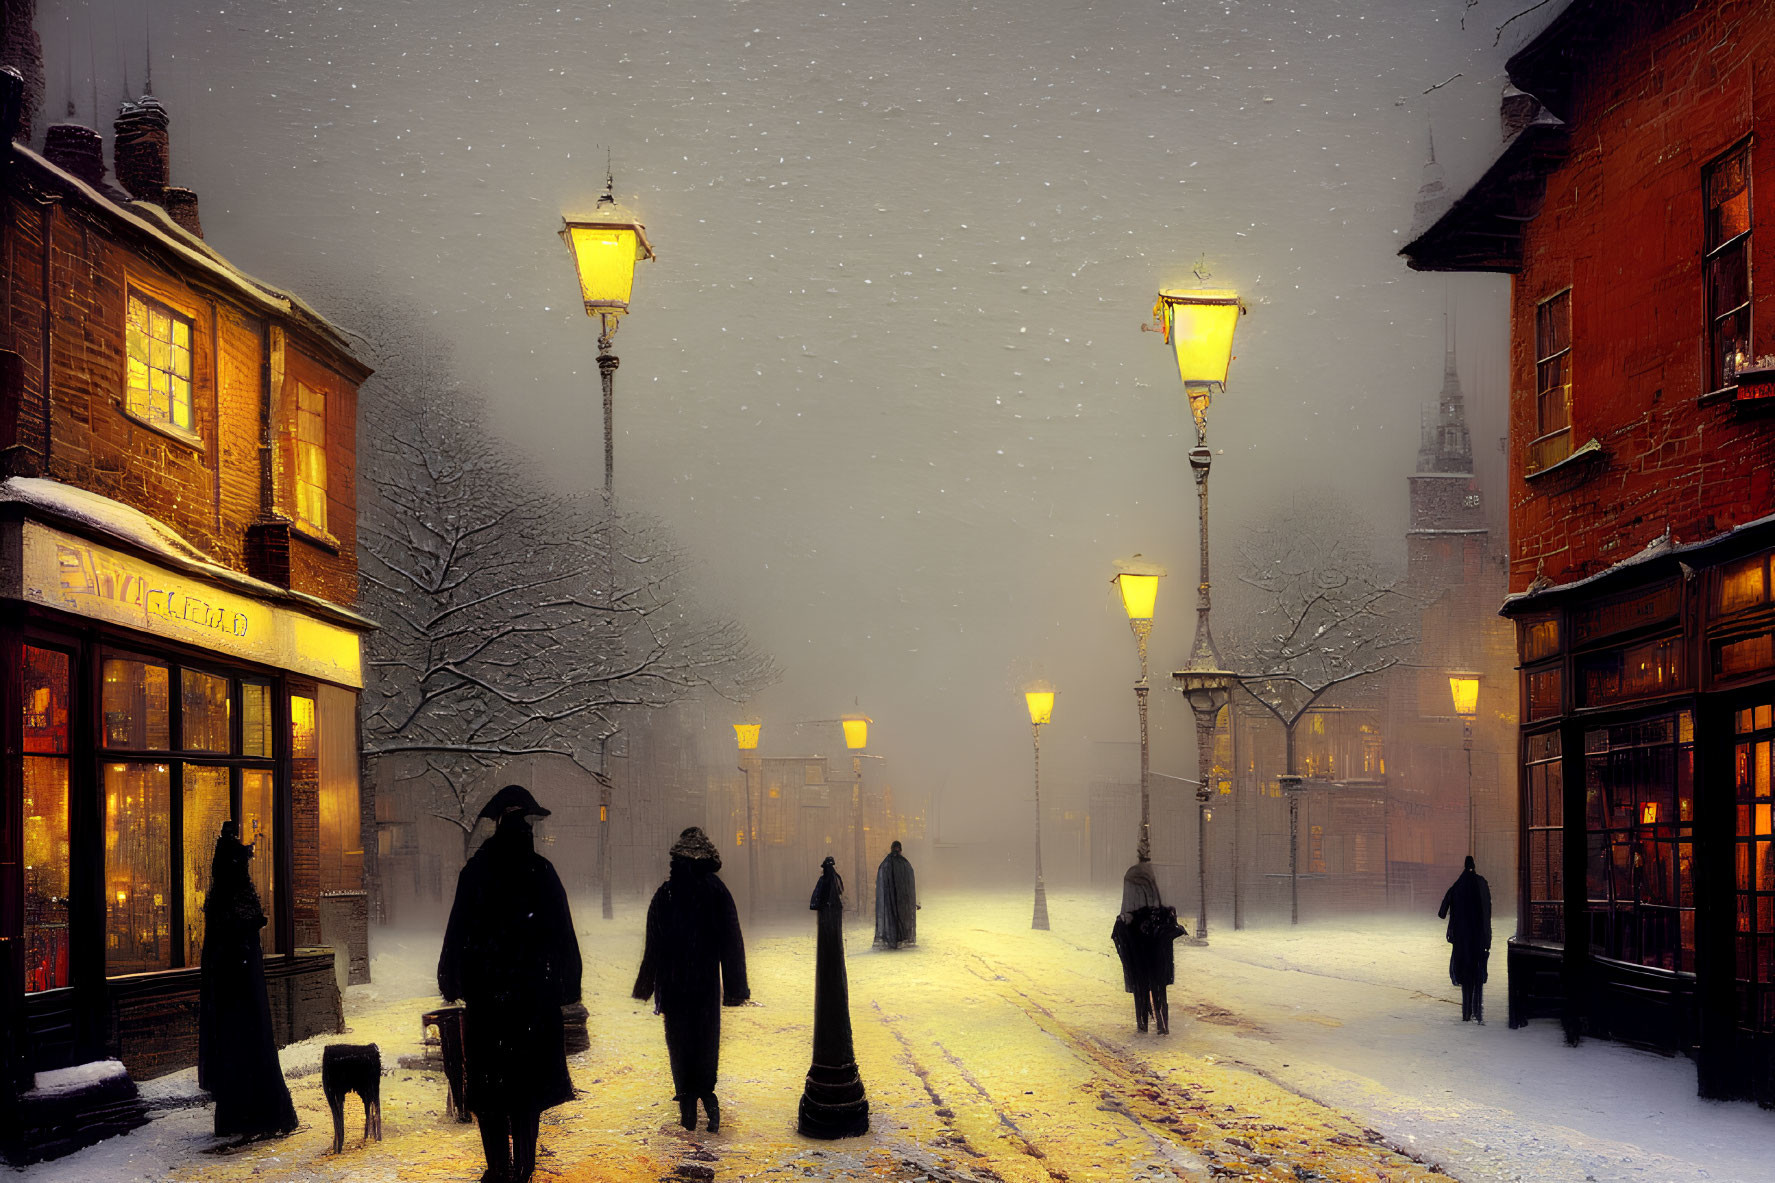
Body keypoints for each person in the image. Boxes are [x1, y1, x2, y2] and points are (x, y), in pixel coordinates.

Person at [438, 785, 582, 1183]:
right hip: (532, 1002)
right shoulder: (542, 873)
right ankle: (523, 1169)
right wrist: (567, 985)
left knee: (490, 1092)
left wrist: (452, 979)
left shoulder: (476, 873)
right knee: (526, 1094)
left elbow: (458, 932)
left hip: (488, 1002)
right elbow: (562, 935)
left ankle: (498, 1168)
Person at [633, 826, 749, 1134]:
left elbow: (653, 943)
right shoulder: (717, 891)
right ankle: (709, 1102)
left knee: (679, 1042)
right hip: (705, 982)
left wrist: (645, 985)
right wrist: (736, 988)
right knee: (706, 1041)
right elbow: (731, 941)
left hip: (673, 983)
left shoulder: (666, 893)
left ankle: (686, 1104)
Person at [198, 819, 297, 1141]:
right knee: (247, 1049)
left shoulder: (224, 900)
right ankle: (255, 1115)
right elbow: (238, 943)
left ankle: (243, 1115)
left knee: (237, 1051)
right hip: (240, 996)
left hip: (231, 994)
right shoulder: (234, 901)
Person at [798, 856, 869, 1138]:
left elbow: (817, 902)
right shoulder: (833, 888)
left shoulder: (827, 888)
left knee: (831, 1003)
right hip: (830, 947)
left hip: (829, 948)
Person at [1110, 842, 1185, 1035]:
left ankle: (1143, 1022)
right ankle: (1161, 1023)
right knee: (1159, 987)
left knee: (1141, 987)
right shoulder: (1157, 877)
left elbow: (1127, 910)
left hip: (1139, 943)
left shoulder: (1133, 875)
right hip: (1156, 944)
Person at [1439, 854, 1493, 1024]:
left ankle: (1466, 1013)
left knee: (1466, 973)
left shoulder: (1457, 886)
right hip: (1479, 936)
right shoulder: (1482, 884)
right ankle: (1477, 1011)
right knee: (1477, 972)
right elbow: (1488, 910)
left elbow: (1442, 911)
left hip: (1462, 938)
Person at [873, 840, 919, 950]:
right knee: (897, 918)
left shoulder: (888, 863)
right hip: (898, 898)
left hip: (896, 898)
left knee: (894, 919)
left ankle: (894, 940)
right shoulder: (902, 863)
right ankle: (896, 940)